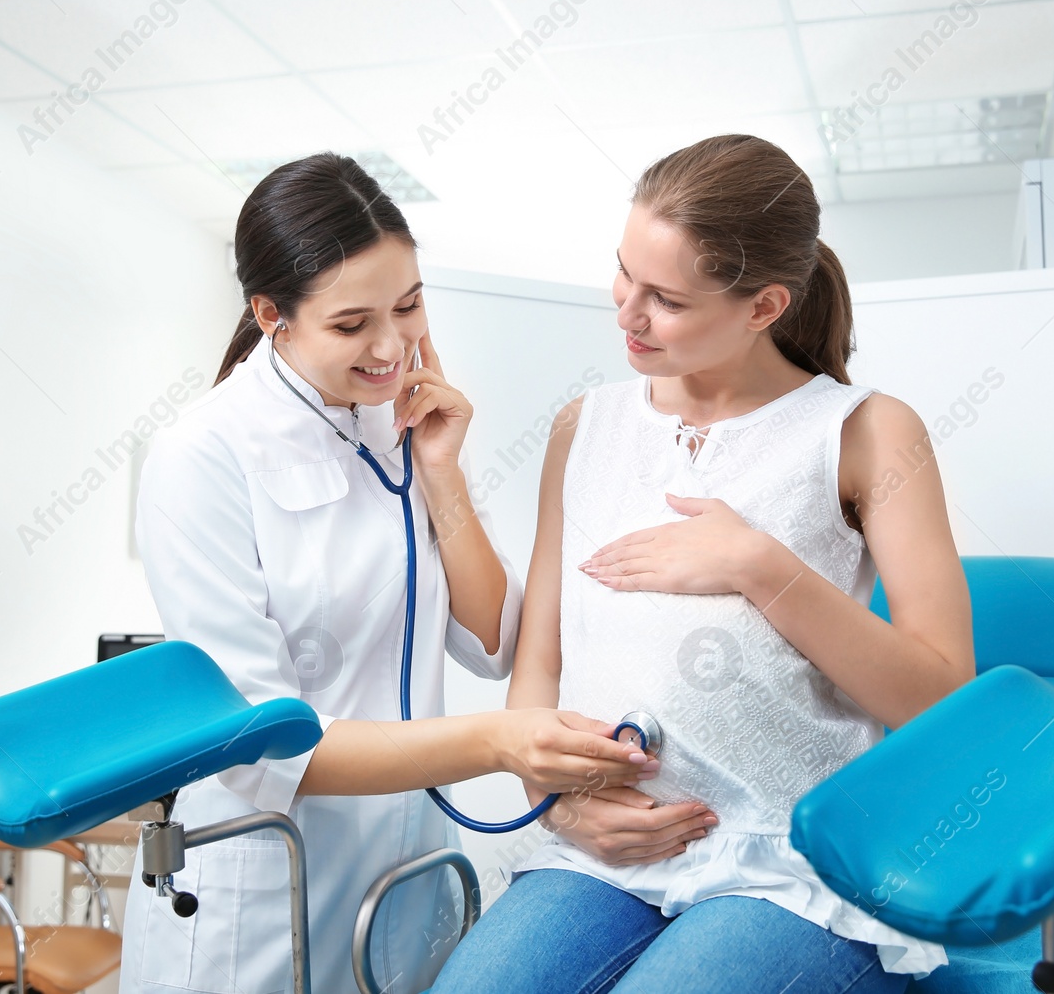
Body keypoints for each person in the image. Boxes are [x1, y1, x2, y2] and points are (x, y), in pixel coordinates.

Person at [430, 134, 976, 994]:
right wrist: (560, 799)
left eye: (668, 299)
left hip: (794, 866)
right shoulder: (585, 426)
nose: (627, 314)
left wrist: (762, 566)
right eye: (624, 275)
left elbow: (946, 699)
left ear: (764, 306)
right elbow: (538, 659)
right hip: (604, 852)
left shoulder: (867, 431)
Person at [118, 153, 656, 994]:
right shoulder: (204, 455)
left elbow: (491, 641)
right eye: (350, 323)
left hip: (403, 869)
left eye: (408, 307)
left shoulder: (394, 425)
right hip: (265, 882)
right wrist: (493, 741)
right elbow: (264, 747)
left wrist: (442, 471)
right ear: (272, 315)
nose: (389, 345)